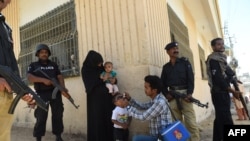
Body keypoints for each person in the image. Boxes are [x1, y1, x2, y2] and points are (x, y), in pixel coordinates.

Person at [0, 0, 35, 140]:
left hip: (6, 94)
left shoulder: (5, 26)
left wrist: (22, 90)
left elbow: (11, 62)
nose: (9, 2)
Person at [161, 42, 200, 141]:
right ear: (168, 52)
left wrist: (190, 94)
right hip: (173, 96)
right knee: (176, 125)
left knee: (191, 123)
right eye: (173, 48)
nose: (176, 50)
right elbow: (162, 83)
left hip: (185, 95)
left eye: (177, 48)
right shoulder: (166, 67)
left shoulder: (185, 63)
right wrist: (166, 94)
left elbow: (191, 79)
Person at [27, 44, 66, 141]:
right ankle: (38, 137)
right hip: (41, 94)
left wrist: (62, 88)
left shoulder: (53, 65)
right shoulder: (33, 65)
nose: (44, 54)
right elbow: (29, 77)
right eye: (42, 52)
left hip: (55, 93)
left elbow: (59, 76)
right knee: (41, 116)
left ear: (48, 54)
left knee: (58, 114)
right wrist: (43, 80)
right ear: (38, 54)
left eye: (46, 52)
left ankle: (58, 136)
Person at [206, 37, 241, 141]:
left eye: (222, 44)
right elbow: (218, 79)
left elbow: (229, 72)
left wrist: (235, 79)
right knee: (226, 118)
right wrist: (233, 91)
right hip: (219, 93)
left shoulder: (222, 59)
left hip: (223, 92)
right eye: (218, 44)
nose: (221, 46)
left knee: (220, 118)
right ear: (213, 47)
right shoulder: (213, 59)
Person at [124, 75, 172, 141]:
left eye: (146, 88)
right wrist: (130, 99)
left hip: (162, 138)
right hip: (157, 137)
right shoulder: (156, 99)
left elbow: (143, 117)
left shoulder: (160, 102)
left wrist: (128, 107)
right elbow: (142, 106)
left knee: (136, 139)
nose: (145, 90)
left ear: (154, 90)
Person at [81, 50, 115, 141]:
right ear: (93, 61)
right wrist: (102, 80)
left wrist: (114, 80)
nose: (100, 65)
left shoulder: (100, 69)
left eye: (101, 63)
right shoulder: (86, 70)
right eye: (98, 63)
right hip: (95, 101)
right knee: (98, 121)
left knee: (108, 119)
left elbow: (109, 76)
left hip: (107, 100)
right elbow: (89, 85)